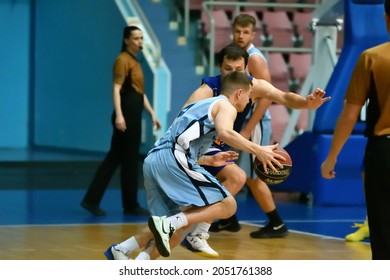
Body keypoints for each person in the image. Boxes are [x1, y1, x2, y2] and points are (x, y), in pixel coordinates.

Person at [104, 71, 286, 260]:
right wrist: (258, 150)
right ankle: (173, 224)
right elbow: (226, 133)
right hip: (172, 158)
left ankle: (122, 250)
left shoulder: (200, 105)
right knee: (228, 204)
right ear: (239, 93)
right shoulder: (226, 106)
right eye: (249, 96)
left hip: (154, 160)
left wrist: (208, 160)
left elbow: (181, 138)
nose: (250, 102)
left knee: (173, 234)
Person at [180, 43, 330, 258]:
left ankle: (197, 230)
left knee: (236, 179)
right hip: (193, 150)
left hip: (218, 148)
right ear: (219, 67)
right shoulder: (207, 90)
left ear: (247, 68)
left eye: (238, 69)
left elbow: (285, 97)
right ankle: (166, 231)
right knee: (180, 215)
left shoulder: (254, 86)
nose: (232, 74)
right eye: (227, 69)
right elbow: (181, 121)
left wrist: (307, 103)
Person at [209, 13, 289, 239]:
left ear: (253, 35)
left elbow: (266, 96)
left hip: (255, 123)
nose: (241, 35)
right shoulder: (235, 56)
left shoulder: (254, 59)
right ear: (232, 31)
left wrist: (247, 128)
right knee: (227, 167)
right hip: (238, 122)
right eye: (238, 31)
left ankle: (276, 223)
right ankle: (228, 219)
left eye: (246, 32)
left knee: (254, 176)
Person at [321, 0, 390, 260]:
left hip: (384, 151)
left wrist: (332, 156)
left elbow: (350, 114)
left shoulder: (372, 57)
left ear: (386, 18)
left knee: (383, 230)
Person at [81, 26, 161, 216]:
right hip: (126, 114)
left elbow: (140, 93)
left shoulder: (135, 61)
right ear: (126, 40)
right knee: (122, 159)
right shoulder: (122, 60)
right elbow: (116, 89)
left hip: (134, 113)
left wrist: (152, 114)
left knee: (124, 159)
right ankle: (126, 204)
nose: (139, 42)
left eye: (141, 38)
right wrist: (119, 115)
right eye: (136, 38)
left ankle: (110, 201)